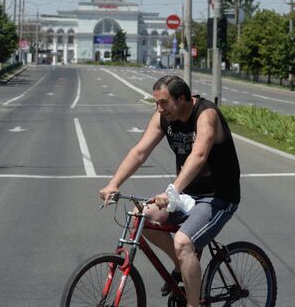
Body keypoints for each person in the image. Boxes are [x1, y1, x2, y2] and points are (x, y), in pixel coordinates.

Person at [99, 75, 240, 307]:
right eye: (156, 103)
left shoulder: (206, 115)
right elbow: (140, 152)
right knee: (142, 216)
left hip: (218, 196)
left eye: (163, 102)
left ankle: (193, 303)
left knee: (183, 242)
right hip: (187, 195)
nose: (158, 108)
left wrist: (173, 189)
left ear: (182, 98)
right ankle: (182, 265)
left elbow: (200, 155)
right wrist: (114, 183)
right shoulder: (163, 117)